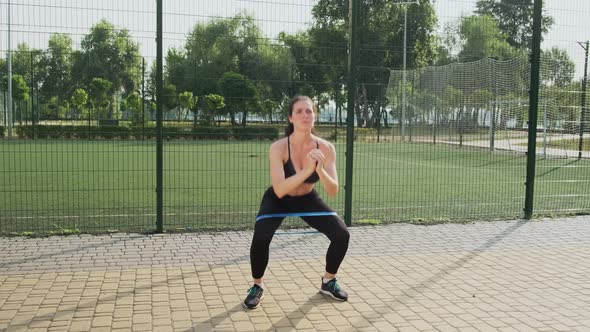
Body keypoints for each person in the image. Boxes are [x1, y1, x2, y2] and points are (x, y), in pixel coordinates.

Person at [243, 95, 350, 310]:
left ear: (315, 116)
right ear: (291, 118)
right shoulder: (279, 148)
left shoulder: (326, 148)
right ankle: (257, 285)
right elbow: (280, 189)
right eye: (299, 111)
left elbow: (332, 190)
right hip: (278, 200)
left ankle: (328, 281)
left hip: (307, 199)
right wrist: (308, 171)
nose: (305, 115)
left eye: (309, 111)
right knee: (261, 236)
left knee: (341, 234)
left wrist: (320, 170)